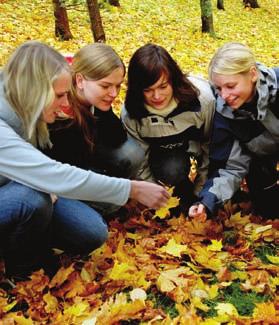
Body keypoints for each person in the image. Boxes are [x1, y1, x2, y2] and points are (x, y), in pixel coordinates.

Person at [0, 41, 170, 279]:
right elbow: (51, 174)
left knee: (90, 231)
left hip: (26, 187)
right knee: (32, 199)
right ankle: (22, 274)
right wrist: (132, 189)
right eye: (60, 95)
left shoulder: (22, 102)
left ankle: (32, 237)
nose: (66, 103)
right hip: (19, 192)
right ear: (34, 89)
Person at [189, 42, 279, 220]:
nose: (224, 95)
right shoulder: (225, 114)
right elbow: (228, 168)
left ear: (252, 74)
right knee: (269, 210)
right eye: (219, 88)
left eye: (230, 86)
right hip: (263, 159)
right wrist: (206, 202)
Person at [121, 43, 215, 211]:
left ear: (174, 80)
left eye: (163, 87)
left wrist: (201, 192)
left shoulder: (203, 101)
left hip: (196, 146)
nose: (157, 96)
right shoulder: (131, 113)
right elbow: (139, 159)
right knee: (172, 169)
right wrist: (154, 196)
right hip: (164, 155)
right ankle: (179, 188)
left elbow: (211, 146)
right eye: (148, 90)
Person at [44, 43, 144, 182]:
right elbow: (73, 163)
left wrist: (103, 108)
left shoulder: (92, 99)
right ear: (80, 80)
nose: (114, 93)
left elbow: (116, 137)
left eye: (118, 85)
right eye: (105, 86)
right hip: (58, 173)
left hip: (82, 155)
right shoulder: (59, 110)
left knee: (132, 153)